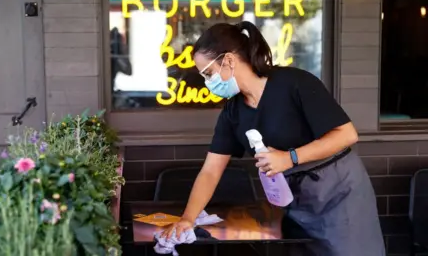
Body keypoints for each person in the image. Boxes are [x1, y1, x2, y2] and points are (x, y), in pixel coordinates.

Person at [160, 21, 385, 256]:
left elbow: (347, 134)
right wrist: (188, 218)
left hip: (339, 193)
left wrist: (290, 158)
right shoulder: (233, 112)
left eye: (208, 73)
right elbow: (211, 171)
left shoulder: (294, 83)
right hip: (294, 201)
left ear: (228, 60)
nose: (207, 83)